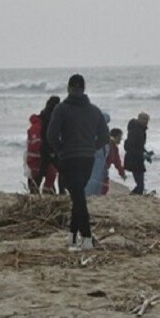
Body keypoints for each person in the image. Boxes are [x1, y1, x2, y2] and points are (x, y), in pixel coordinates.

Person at [46, 74, 109, 252]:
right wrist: (91, 147)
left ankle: (87, 237)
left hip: (68, 158)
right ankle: (73, 235)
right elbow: (105, 136)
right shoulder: (94, 111)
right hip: (87, 159)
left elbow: (51, 135)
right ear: (83, 89)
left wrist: (61, 151)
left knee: (78, 197)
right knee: (78, 195)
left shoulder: (61, 109)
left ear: (68, 89)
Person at [84, 112, 112, 196]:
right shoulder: (101, 129)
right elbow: (104, 140)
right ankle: (90, 192)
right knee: (96, 174)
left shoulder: (90, 127)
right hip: (99, 152)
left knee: (97, 173)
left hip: (95, 152)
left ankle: (94, 192)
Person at [38, 96, 62, 193]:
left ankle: (37, 189)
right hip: (50, 147)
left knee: (43, 170)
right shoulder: (52, 117)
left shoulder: (44, 114)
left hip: (44, 147)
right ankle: (58, 190)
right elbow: (51, 134)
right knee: (58, 170)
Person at [124, 112, 151, 195]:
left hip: (137, 157)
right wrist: (141, 154)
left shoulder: (141, 130)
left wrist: (146, 153)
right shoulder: (136, 130)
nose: (146, 121)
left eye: (147, 119)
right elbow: (128, 145)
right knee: (140, 183)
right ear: (139, 119)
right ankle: (137, 195)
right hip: (134, 158)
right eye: (144, 119)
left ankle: (134, 194)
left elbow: (140, 145)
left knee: (140, 182)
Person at [102, 128, 125, 195]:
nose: (121, 139)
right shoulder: (110, 145)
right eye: (120, 137)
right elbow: (116, 161)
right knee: (104, 187)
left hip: (104, 168)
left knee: (104, 186)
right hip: (102, 167)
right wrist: (122, 173)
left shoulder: (112, 145)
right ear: (117, 136)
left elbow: (117, 161)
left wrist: (121, 173)